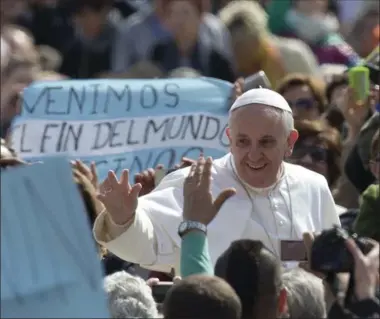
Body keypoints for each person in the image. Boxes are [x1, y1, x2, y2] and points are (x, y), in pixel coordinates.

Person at [93, 88, 340, 274]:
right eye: (243, 142)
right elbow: (148, 246)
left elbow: (333, 265)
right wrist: (123, 219)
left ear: (290, 141)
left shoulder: (314, 186)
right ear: (229, 138)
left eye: (266, 142)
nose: (254, 155)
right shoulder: (198, 182)